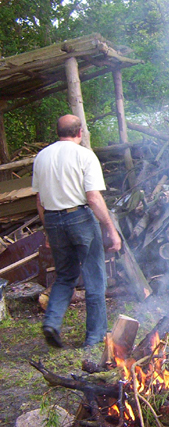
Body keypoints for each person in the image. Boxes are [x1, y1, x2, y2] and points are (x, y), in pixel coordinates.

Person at [32, 114, 122, 348]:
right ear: (80, 132)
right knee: (94, 276)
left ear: (58, 132)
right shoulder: (84, 155)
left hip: (52, 219)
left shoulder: (42, 157)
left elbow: (40, 200)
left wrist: (48, 230)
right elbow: (93, 197)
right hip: (79, 217)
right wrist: (111, 229)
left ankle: (51, 322)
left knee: (64, 275)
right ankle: (94, 336)